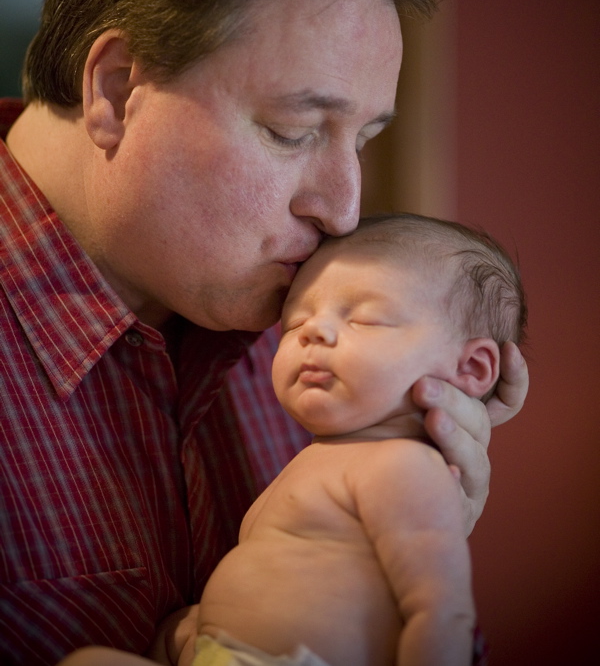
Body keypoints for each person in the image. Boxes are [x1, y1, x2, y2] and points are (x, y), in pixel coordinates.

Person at [0, 0, 528, 666]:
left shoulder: (325, 333)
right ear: (114, 90)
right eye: (293, 131)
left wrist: (400, 558)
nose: (345, 211)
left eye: (363, 139)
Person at [55, 212, 527, 666]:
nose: (313, 333)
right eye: (295, 324)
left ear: (471, 368)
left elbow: (441, 613)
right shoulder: (318, 457)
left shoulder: (405, 467)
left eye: (364, 319)